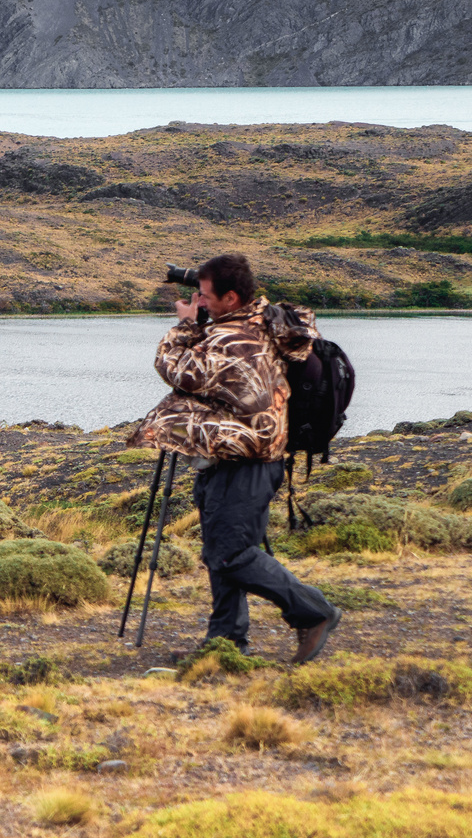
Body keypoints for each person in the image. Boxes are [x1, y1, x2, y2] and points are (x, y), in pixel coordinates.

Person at [128, 253, 341, 664]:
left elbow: (175, 368)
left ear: (231, 297)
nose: (201, 302)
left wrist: (186, 324)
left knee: (230, 555)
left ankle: (315, 612)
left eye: (207, 297)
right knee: (221, 552)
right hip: (241, 459)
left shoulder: (233, 340)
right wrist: (201, 319)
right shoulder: (259, 322)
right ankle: (225, 643)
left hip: (245, 461)